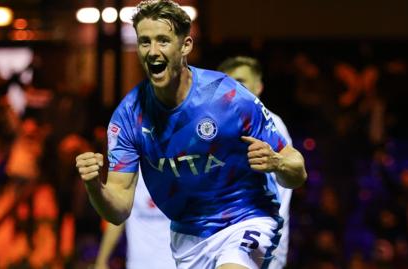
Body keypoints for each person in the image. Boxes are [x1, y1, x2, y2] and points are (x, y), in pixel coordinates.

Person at [75, 1, 307, 268]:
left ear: (185, 45)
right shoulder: (128, 117)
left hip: (245, 219)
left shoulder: (229, 97)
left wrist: (277, 163)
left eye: (163, 41)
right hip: (188, 236)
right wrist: (95, 187)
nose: (152, 51)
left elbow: (297, 171)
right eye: (144, 42)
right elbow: (118, 210)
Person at [218, 56, 293, 269]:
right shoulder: (215, 127)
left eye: (241, 83)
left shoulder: (272, 126)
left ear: (258, 87)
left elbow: (293, 176)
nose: (233, 90)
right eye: (227, 84)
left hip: (262, 243)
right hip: (224, 240)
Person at [95, 169, 175, 269]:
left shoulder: (177, 168)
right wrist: (101, 261)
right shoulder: (130, 170)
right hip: (138, 264)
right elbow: (117, 220)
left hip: (174, 263)